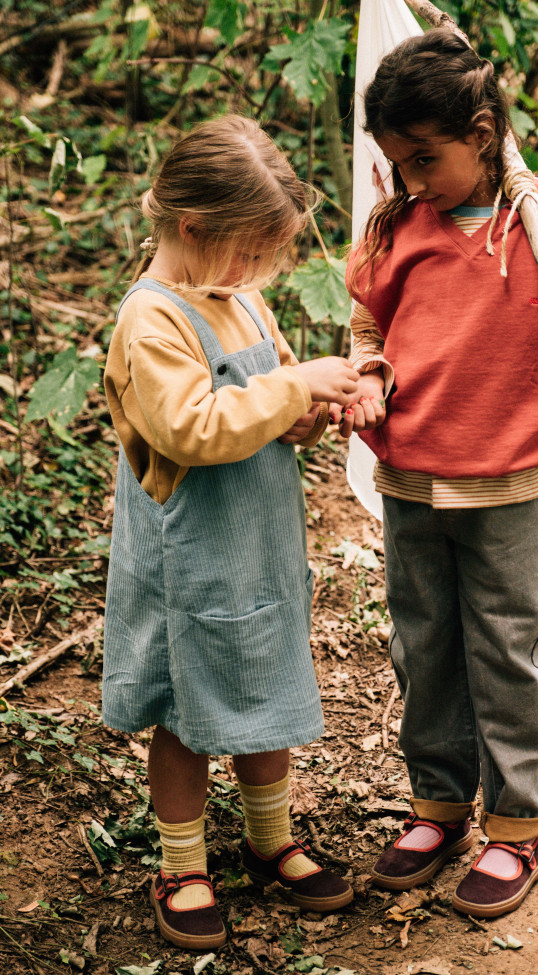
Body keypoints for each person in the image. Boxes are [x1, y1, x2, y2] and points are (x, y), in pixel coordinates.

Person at [335, 28, 538, 919]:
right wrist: (368, 375)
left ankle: (516, 825)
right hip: (410, 481)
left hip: (504, 486)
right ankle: (437, 804)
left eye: (425, 159)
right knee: (423, 644)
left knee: (507, 651)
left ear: (482, 131)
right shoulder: (399, 225)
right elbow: (366, 327)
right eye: (397, 163)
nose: (411, 180)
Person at [102, 115, 359, 951]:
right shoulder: (153, 319)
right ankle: (182, 861)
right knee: (186, 703)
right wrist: (291, 391)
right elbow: (191, 428)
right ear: (194, 229)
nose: (255, 272)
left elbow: (273, 400)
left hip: (257, 549)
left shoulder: (237, 295)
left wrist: (313, 410)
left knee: (264, 680)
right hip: (191, 559)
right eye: (248, 251)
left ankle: (269, 837)